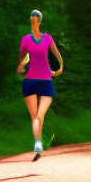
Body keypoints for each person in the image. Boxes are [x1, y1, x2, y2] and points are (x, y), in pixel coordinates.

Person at [16, 9, 63, 161]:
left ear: (38, 20)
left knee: (38, 116)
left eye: (35, 18)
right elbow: (22, 59)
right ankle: (37, 143)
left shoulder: (46, 39)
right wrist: (22, 65)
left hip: (43, 81)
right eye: (32, 18)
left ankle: (38, 142)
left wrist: (59, 68)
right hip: (33, 81)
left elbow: (57, 56)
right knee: (36, 116)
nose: (34, 20)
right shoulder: (27, 40)